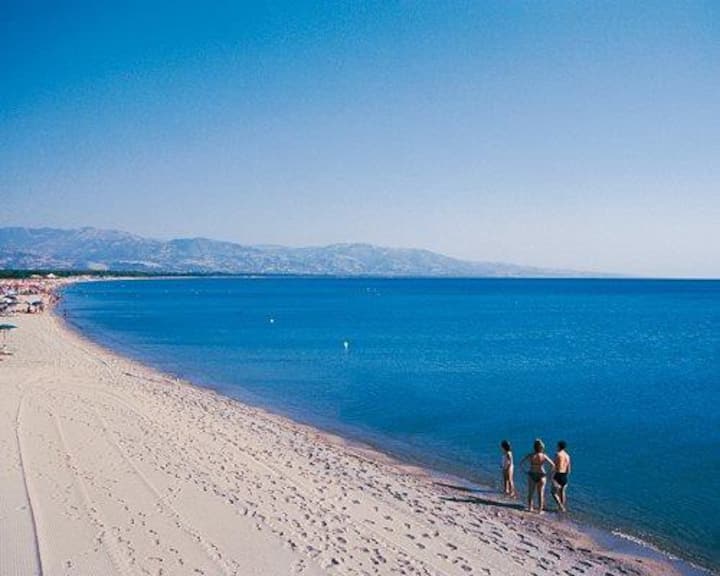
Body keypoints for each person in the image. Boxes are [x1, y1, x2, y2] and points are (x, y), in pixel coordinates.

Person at [520, 439, 555, 513]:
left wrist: (525, 472)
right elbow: (553, 465)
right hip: (542, 474)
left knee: (530, 493)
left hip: (532, 473)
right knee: (541, 494)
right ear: (542, 448)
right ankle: (539, 510)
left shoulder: (531, 455)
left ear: (534, 447)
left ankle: (530, 508)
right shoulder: (544, 456)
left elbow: (521, 463)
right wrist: (548, 473)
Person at [552, 440, 571, 512]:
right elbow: (569, 469)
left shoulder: (557, 454)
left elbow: (554, 465)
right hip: (564, 475)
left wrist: (551, 475)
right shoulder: (567, 456)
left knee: (553, 492)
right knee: (562, 492)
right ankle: (562, 507)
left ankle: (560, 506)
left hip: (558, 474)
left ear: (559, 446)